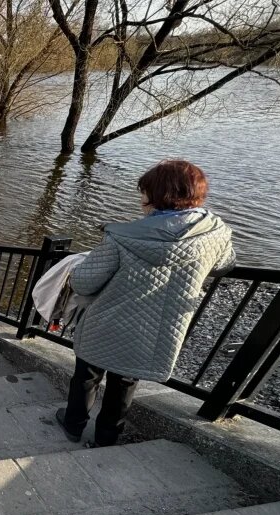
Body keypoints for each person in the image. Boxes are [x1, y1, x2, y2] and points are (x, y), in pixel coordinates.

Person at [56, 159, 235, 447]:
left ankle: (73, 425)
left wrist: (79, 265)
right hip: (154, 330)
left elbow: (83, 283)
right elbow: (226, 265)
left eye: (144, 192)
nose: (141, 198)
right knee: (125, 384)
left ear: (158, 195)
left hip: (106, 322)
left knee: (87, 376)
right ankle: (107, 438)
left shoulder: (122, 237)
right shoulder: (216, 234)